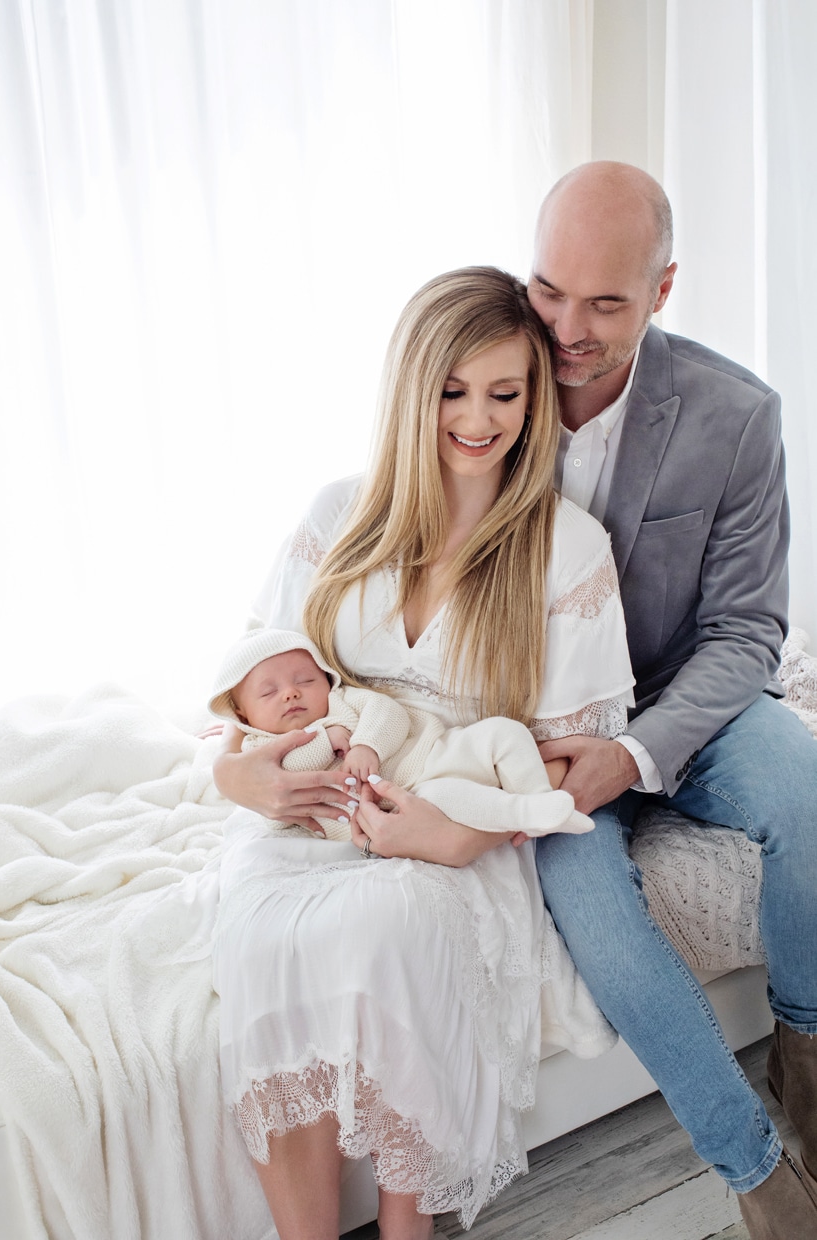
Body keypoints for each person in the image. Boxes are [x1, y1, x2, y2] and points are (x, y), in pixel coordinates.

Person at [212, 266, 635, 1240]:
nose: (477, 419)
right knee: (266, 936)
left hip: (457, 817)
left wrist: (459, 836)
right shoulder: (338, 512)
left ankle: (411, 1230)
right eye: (452, 389)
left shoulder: (562, 548)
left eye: (504, 392)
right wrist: (239, 773)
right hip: (311, 812)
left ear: (534, 401)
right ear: (410, 388)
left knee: (392, 921)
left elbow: (586, 754)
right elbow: (247, 683)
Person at [526, 161, 817, 1237]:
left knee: (805, 791)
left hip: (690, 699)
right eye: (548, 289)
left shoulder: (736, 414)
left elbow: (748, 630)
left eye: (604, 301)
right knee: (585, 892)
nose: (566, 326)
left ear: (661, 288)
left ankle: (803, 1050)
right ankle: (752, 1175)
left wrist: (640, 751)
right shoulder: (479, 388)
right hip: (544, 728)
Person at [207, 626, 594, 841]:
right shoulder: (259, 750)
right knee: (455, 800)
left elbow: (389, 712)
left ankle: (542, 798)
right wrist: (328, 739)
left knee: (505, 733)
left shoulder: (345, 701)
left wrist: (364, 743)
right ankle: (528, 814)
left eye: (304, 680)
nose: (291, 692)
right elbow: (277, 811)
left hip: (435, 754)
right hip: (412, 801)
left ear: (326, 679)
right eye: (269, 692)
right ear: (241, 713)